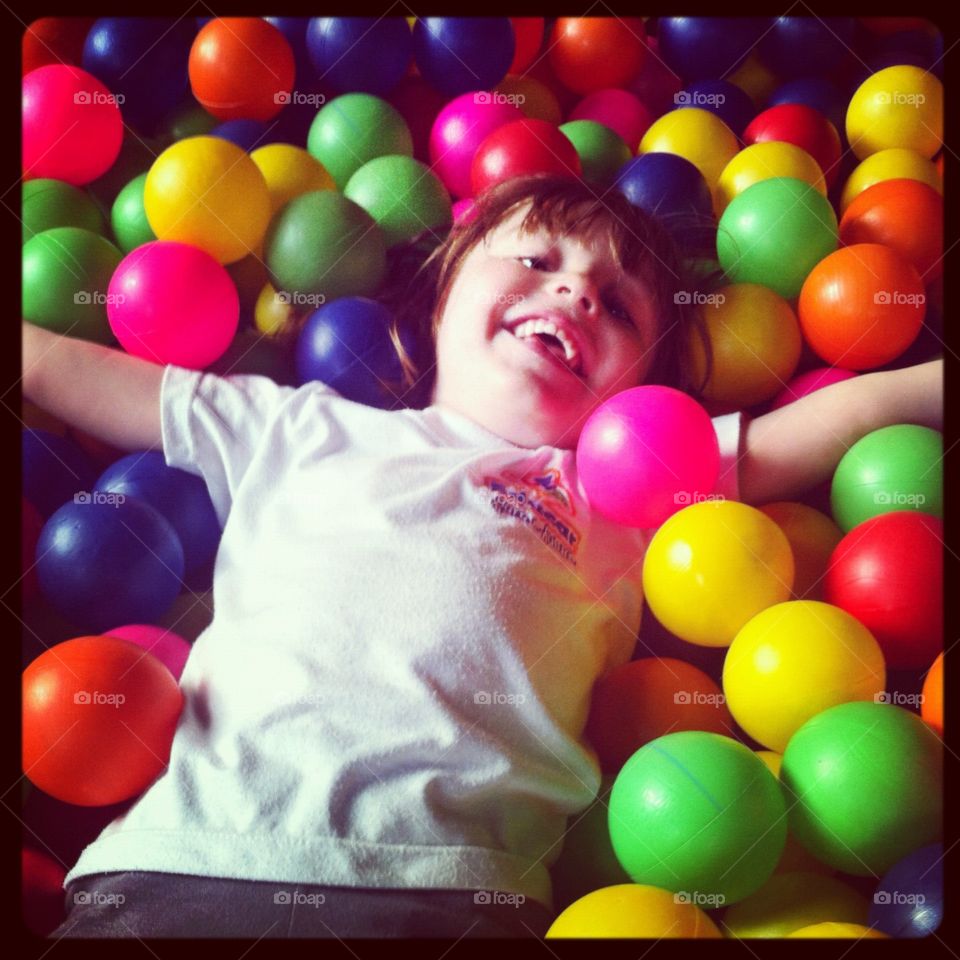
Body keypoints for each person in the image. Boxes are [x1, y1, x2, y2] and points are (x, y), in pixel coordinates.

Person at [22, 174, 942, 940]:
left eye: (617, 305)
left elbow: (835, 421)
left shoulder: (620, 488)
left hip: (455, 900)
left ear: (640, 388)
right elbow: (83, 373)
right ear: (443, 288)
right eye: (536, 261)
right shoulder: (302, 425)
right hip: (180, 866)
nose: (576, 291)